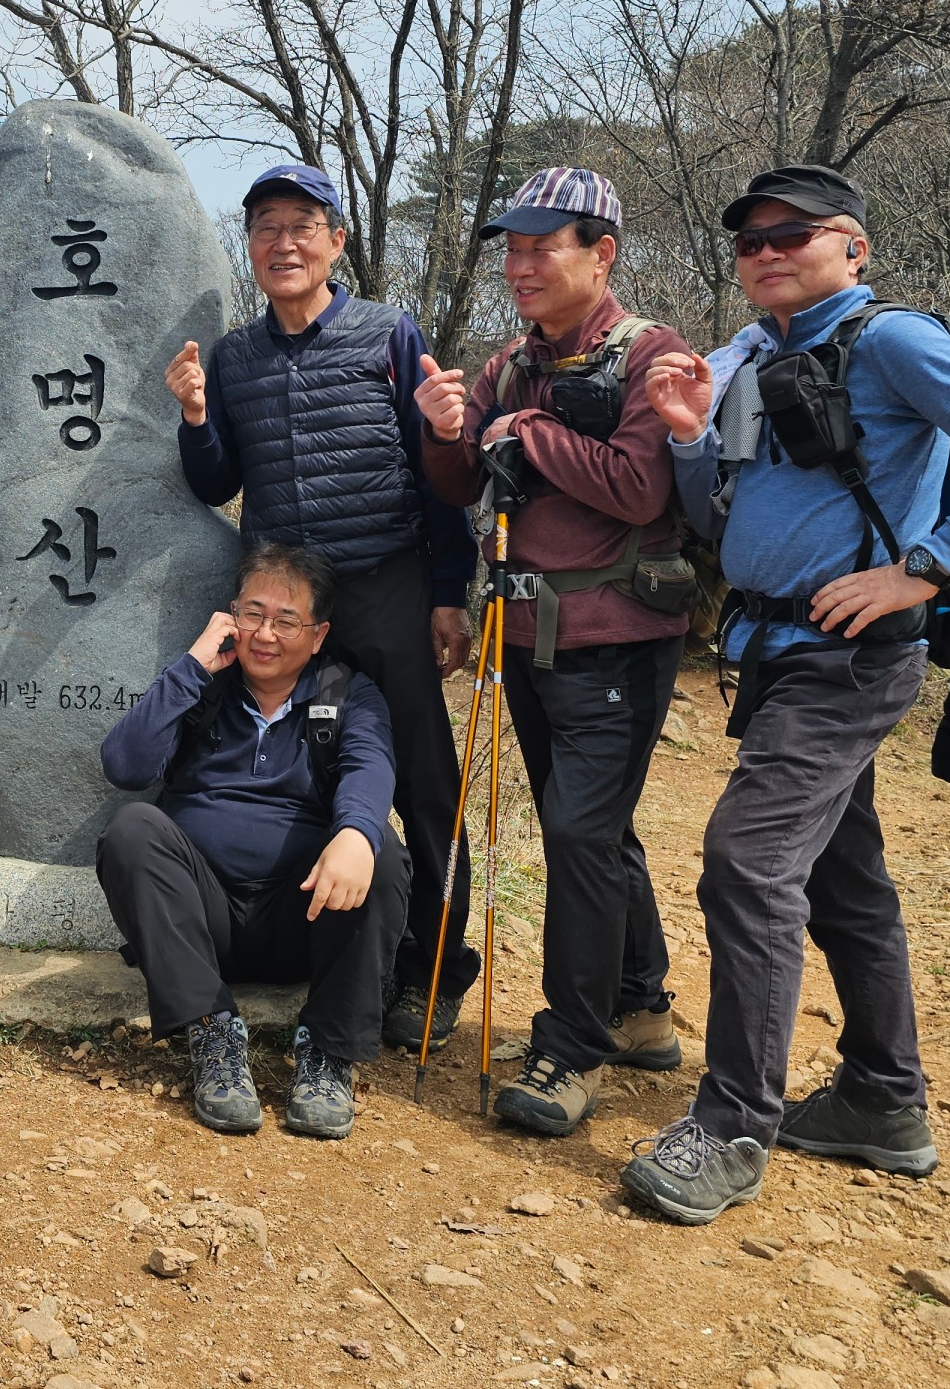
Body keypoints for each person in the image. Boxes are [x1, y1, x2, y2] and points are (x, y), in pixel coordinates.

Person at [623, 164, 950, 1222]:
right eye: (750, 241)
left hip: (848, 659)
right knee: (844, 876)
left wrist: (926, 565)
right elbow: (715, 506)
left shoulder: (890, 340)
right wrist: (691, 432)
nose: (769, 251)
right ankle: (882, 1098)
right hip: (780, 649)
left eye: (795, 234)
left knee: (747, 861)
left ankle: (735, 1125)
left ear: (852, 247)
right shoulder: (756, 356)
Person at [166, 160, 478, 1056]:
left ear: (337, 240)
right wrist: (195, 416)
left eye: (304, 225)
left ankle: (434, 966)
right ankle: (318, 941)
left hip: (386, 582)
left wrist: (448, 595)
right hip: (285, 603)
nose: (284, 242)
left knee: (424, 780)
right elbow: (217, 480)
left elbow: (437, 476)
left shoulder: (387, 334)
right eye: (266, 227)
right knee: (284, 766)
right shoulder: (233, 357)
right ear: (251, 247)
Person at [415, 168, 693, 1138]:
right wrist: (449, 431)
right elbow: (457, 483)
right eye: (513, 248)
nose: (520, 265)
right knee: (596, 832)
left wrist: (525, 434)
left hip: (618, 644)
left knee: (577, 835)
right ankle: (642, 1005)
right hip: (526, 636)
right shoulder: (512, 362)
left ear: (602, 252)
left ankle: (571, 1048)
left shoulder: (649, 355)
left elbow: (639, 488)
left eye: (544, 247)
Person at [96, 543, 406, 1141]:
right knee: (132, 829)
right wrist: (189, 668)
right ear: (230, 616)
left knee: (380, 848)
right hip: (200, 922)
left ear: (318, 636)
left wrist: (357, 833)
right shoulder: (201, 687)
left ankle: (327, 1053)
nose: (265, 634)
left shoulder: (348, 693)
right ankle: (212, 1032)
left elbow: (372, 765)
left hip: (306, 914)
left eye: (287, 620)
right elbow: (125, 766)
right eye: (253, 613)